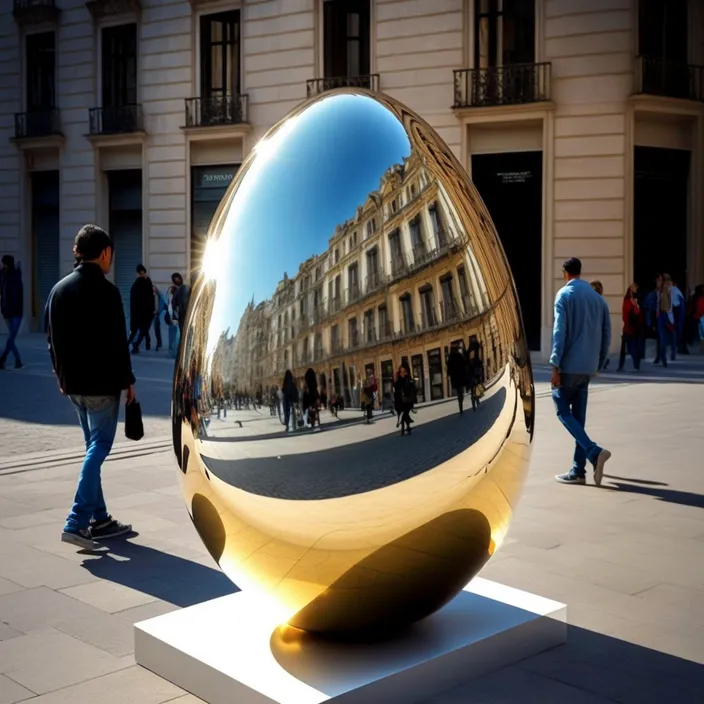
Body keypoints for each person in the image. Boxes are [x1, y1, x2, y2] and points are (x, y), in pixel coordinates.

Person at [45, 224, 135, 550]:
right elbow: (117, 344)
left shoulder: (58, 290)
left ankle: (100, 518)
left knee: (91, 449)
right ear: (105, 253)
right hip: (101, 386)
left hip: (73, 387)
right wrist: (129, 382)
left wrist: (60, 377)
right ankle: (76, 521)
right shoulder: (107, 292)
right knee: (99, 448)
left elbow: (51, 340)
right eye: (112, 254)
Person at [550, 257, 612, 487]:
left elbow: (559, 332)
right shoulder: (598, 299)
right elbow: (607, 334)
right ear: (580, 272)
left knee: (562, 411)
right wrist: (600, 362)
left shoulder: (564, 295)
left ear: (565, 273)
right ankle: (578, 471)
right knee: (579, 418)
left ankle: (594, 452)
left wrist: (555, 365)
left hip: (568, 367)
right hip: (587, 367)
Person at [0, 255, 23, 370]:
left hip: (15, 311)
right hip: (9, 311)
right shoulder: (5, 274)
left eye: (4, 263)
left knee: (11, 336)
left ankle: (3, 358)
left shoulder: (14, 274)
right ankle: (17, 360)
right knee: (11, 337)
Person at [129, 265, 156, 354]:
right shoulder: (146, 282)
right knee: (143, 329)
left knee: (140, 329)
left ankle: (135, 345)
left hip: (140, 311)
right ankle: (139, 345)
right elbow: (150, 297)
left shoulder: (141, 283)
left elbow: (149, 297)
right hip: (144, 311)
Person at [617, 283, 642, 372]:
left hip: (634, 327)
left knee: (633, 347)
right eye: (634, 288)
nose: (636, 289)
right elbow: (626, 314)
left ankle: (636, 365)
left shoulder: (636, 300)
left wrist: (635, 305)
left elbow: (638, 313)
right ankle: (621, 365)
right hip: (629, 327)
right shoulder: (627, 300)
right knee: (626, 348)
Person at [656, 274, 677, 366]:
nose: (659, 282)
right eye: (658, 280)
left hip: (666, 315)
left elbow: (670, 305)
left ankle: (666, 356)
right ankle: (662, 357)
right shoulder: (657, 291)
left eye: (661, 280)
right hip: (660, 316)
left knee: (666, 338)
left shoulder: (668, 291)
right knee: (662, 338)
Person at [393, 362, 416, 436]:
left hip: (408, 401)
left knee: (405, 413)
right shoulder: (398, 381)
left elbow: (412, 390)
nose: (403, 374)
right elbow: (396, 391)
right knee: (405, 413)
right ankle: (407, 426)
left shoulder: (409, 380)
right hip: (400, 401)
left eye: (404, 372)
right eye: (401, 372)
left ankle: (405, 428)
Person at [447, 344, 468, 415]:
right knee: (461, 392)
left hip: (455, 378)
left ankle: (460, 407)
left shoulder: (450, 357)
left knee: (459, 392)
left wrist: (449, 374)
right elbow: (464, 363)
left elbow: (449, 368)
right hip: (460, 376)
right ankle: (461, 405)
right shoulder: (459, 355)